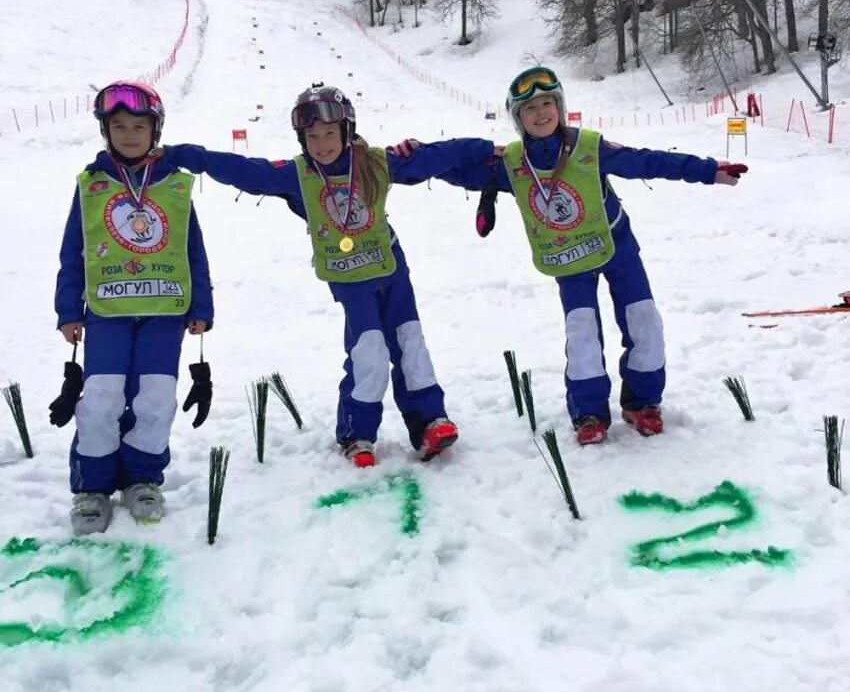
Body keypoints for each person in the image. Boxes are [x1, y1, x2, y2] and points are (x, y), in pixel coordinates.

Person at [161, 84, 497, 468]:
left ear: (347, 131)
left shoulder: (374, 163)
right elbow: (243, 170)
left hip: (389, 265)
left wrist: (485, 149)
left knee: (410, 340)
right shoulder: (298, 175)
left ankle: (428, 422)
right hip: (348, 276)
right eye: (312, 136)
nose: (322, 144)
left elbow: (436, 157)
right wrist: (184, 156)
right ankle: (357, 432)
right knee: (368, 348)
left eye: (329, 134)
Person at [437, 66, 748, 446]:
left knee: (644, 320)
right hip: (568, 259)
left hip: (616, 247)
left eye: (548, 102)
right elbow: (455, 169)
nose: (541, 112)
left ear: (560, 106)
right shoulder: (513, 162)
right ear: (518, 118)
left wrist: (707, 170)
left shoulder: (589, 146)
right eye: (529, 107)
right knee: (582, 331)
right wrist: (408, 159)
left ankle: (642, 402)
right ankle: (588, 413)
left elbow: (646, 161)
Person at [55, 82, 214, 534]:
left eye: (138, 126)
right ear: (106, 131)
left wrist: (200, 304)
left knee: (156, 398)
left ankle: (143, 478)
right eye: (119, 126)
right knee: (102, 397)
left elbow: (192, 250)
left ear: (155, 130)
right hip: (107, 311)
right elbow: (74, 248)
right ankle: (93, 487)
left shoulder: (174, 185)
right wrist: (69, 309)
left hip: (165, 310)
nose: (128, 134)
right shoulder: (92, 185)